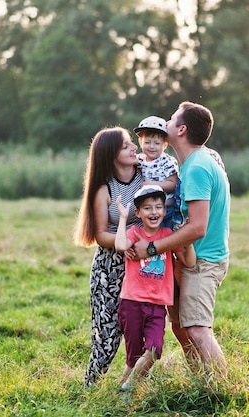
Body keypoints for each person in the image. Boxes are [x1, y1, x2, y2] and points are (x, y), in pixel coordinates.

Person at [131, 101, 231, 379]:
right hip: (185, 259)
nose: (167, 122)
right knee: (179, 327)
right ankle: (201, 382)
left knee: (198, 329)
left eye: (172, 119)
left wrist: (151, 248)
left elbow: (197, 227)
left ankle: (223, 388)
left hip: (204, 260)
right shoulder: (192, 163)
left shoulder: (198, 167)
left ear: (182, 130)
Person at [73, 126, 144, 387]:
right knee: (107, 335)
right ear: (111, 155)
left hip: (143, 264)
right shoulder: (105, 189)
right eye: (126, 146)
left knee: (144, 330)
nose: (134, 147)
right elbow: (101, 234)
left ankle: (134, 387)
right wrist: (125, 244)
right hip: (110, 267)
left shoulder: (146, 177)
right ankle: (90, 387)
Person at [114, 185, 196, 390]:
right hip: (132, 302)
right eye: (148, 208)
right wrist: (123, 218)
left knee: (154, 349)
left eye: (159, 207)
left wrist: (189, 239)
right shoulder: (135, 232)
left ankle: (128, 387)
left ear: (164, 211)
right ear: (138, 213)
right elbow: (120, 246)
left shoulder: (167, 235)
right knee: (132, 358)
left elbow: (190, 262)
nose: (154, 212)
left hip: (158, 306)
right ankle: (121, 394)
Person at [133, 116, 181, 229]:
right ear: (140, 142)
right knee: (151, 234)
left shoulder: (167, 161)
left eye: (157, 143)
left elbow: (173, 184)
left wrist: (152, 185)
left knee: (167, 233)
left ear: (164, 145)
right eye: (147, 142)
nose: (151, 147)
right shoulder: (139, 160)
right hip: (147, 208)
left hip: (166, 207)